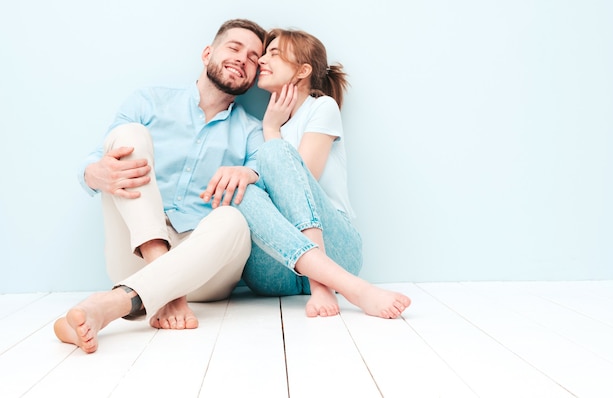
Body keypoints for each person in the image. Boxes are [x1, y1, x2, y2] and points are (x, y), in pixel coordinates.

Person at [54, 18, 266, 353]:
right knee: (128, 137)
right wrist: (95, 174)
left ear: (255, 76)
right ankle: (162, 288)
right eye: (235, 47)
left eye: (254, 57)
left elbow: (265, 182)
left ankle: (112, 305)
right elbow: (96, 159)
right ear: (208, 52)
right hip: (135, 254)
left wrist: (249, 173)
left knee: (235, 221)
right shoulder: (149, 101)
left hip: (204, 270)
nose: (243, 58)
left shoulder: (253, 132)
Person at [231, 29, 412, 319]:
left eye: (273, 54)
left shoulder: (321, 107)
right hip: (276, 270)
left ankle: (333, 284)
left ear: (303, 70)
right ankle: (325, 281)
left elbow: (304, 179)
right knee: (236, 191)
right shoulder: (261, 125)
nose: (262, 60)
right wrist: (270, 128)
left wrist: (272, 133)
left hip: (337, 251)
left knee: (274, 154)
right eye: (264, 54)